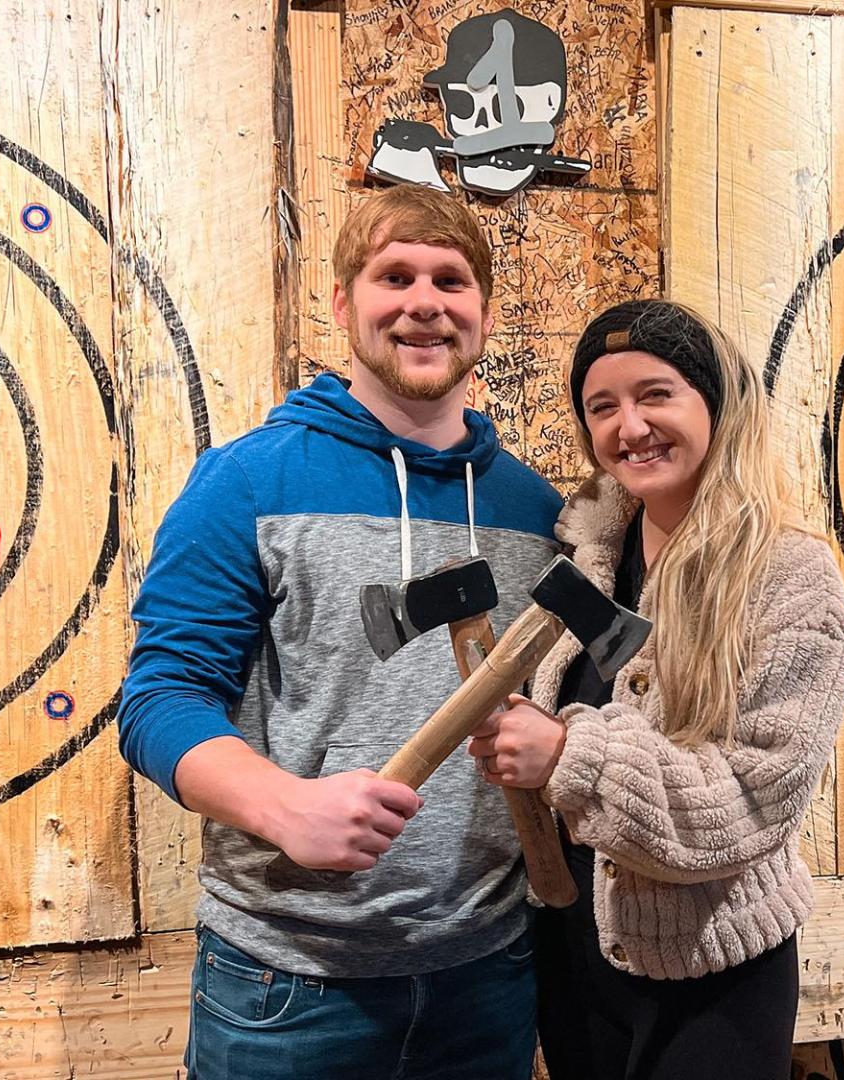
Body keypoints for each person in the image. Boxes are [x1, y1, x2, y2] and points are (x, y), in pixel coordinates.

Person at [118, 184, 562, 1078]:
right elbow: (157, 701)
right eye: (393, 275)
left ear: (484, 311)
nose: (425, 303)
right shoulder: (246, 483)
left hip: (489, 972)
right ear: (341, 304)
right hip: (286, 985)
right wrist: (285, 806)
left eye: (452, 279)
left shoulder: (535, 511)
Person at [467, 300, 844, 1079]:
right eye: (601, 407)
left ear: (714, 401)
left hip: (712, 980)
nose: (630, 426)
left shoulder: (789, 576)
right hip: (573, 962)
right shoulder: (583, 562)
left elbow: (752, 801)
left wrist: (569, 755)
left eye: (656, 394)